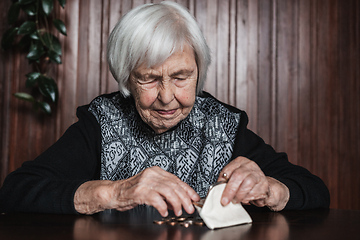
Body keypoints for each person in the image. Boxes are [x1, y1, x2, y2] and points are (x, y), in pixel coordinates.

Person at [0, 1, 329, 216]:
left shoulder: (223, 125)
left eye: (181, 76)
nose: (168, 97)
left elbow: (315, 192)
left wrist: (271, 188)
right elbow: (15, 192)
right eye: (149, 79)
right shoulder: (100, 123)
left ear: (198, 72)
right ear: (127, 79)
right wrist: (111, 193)